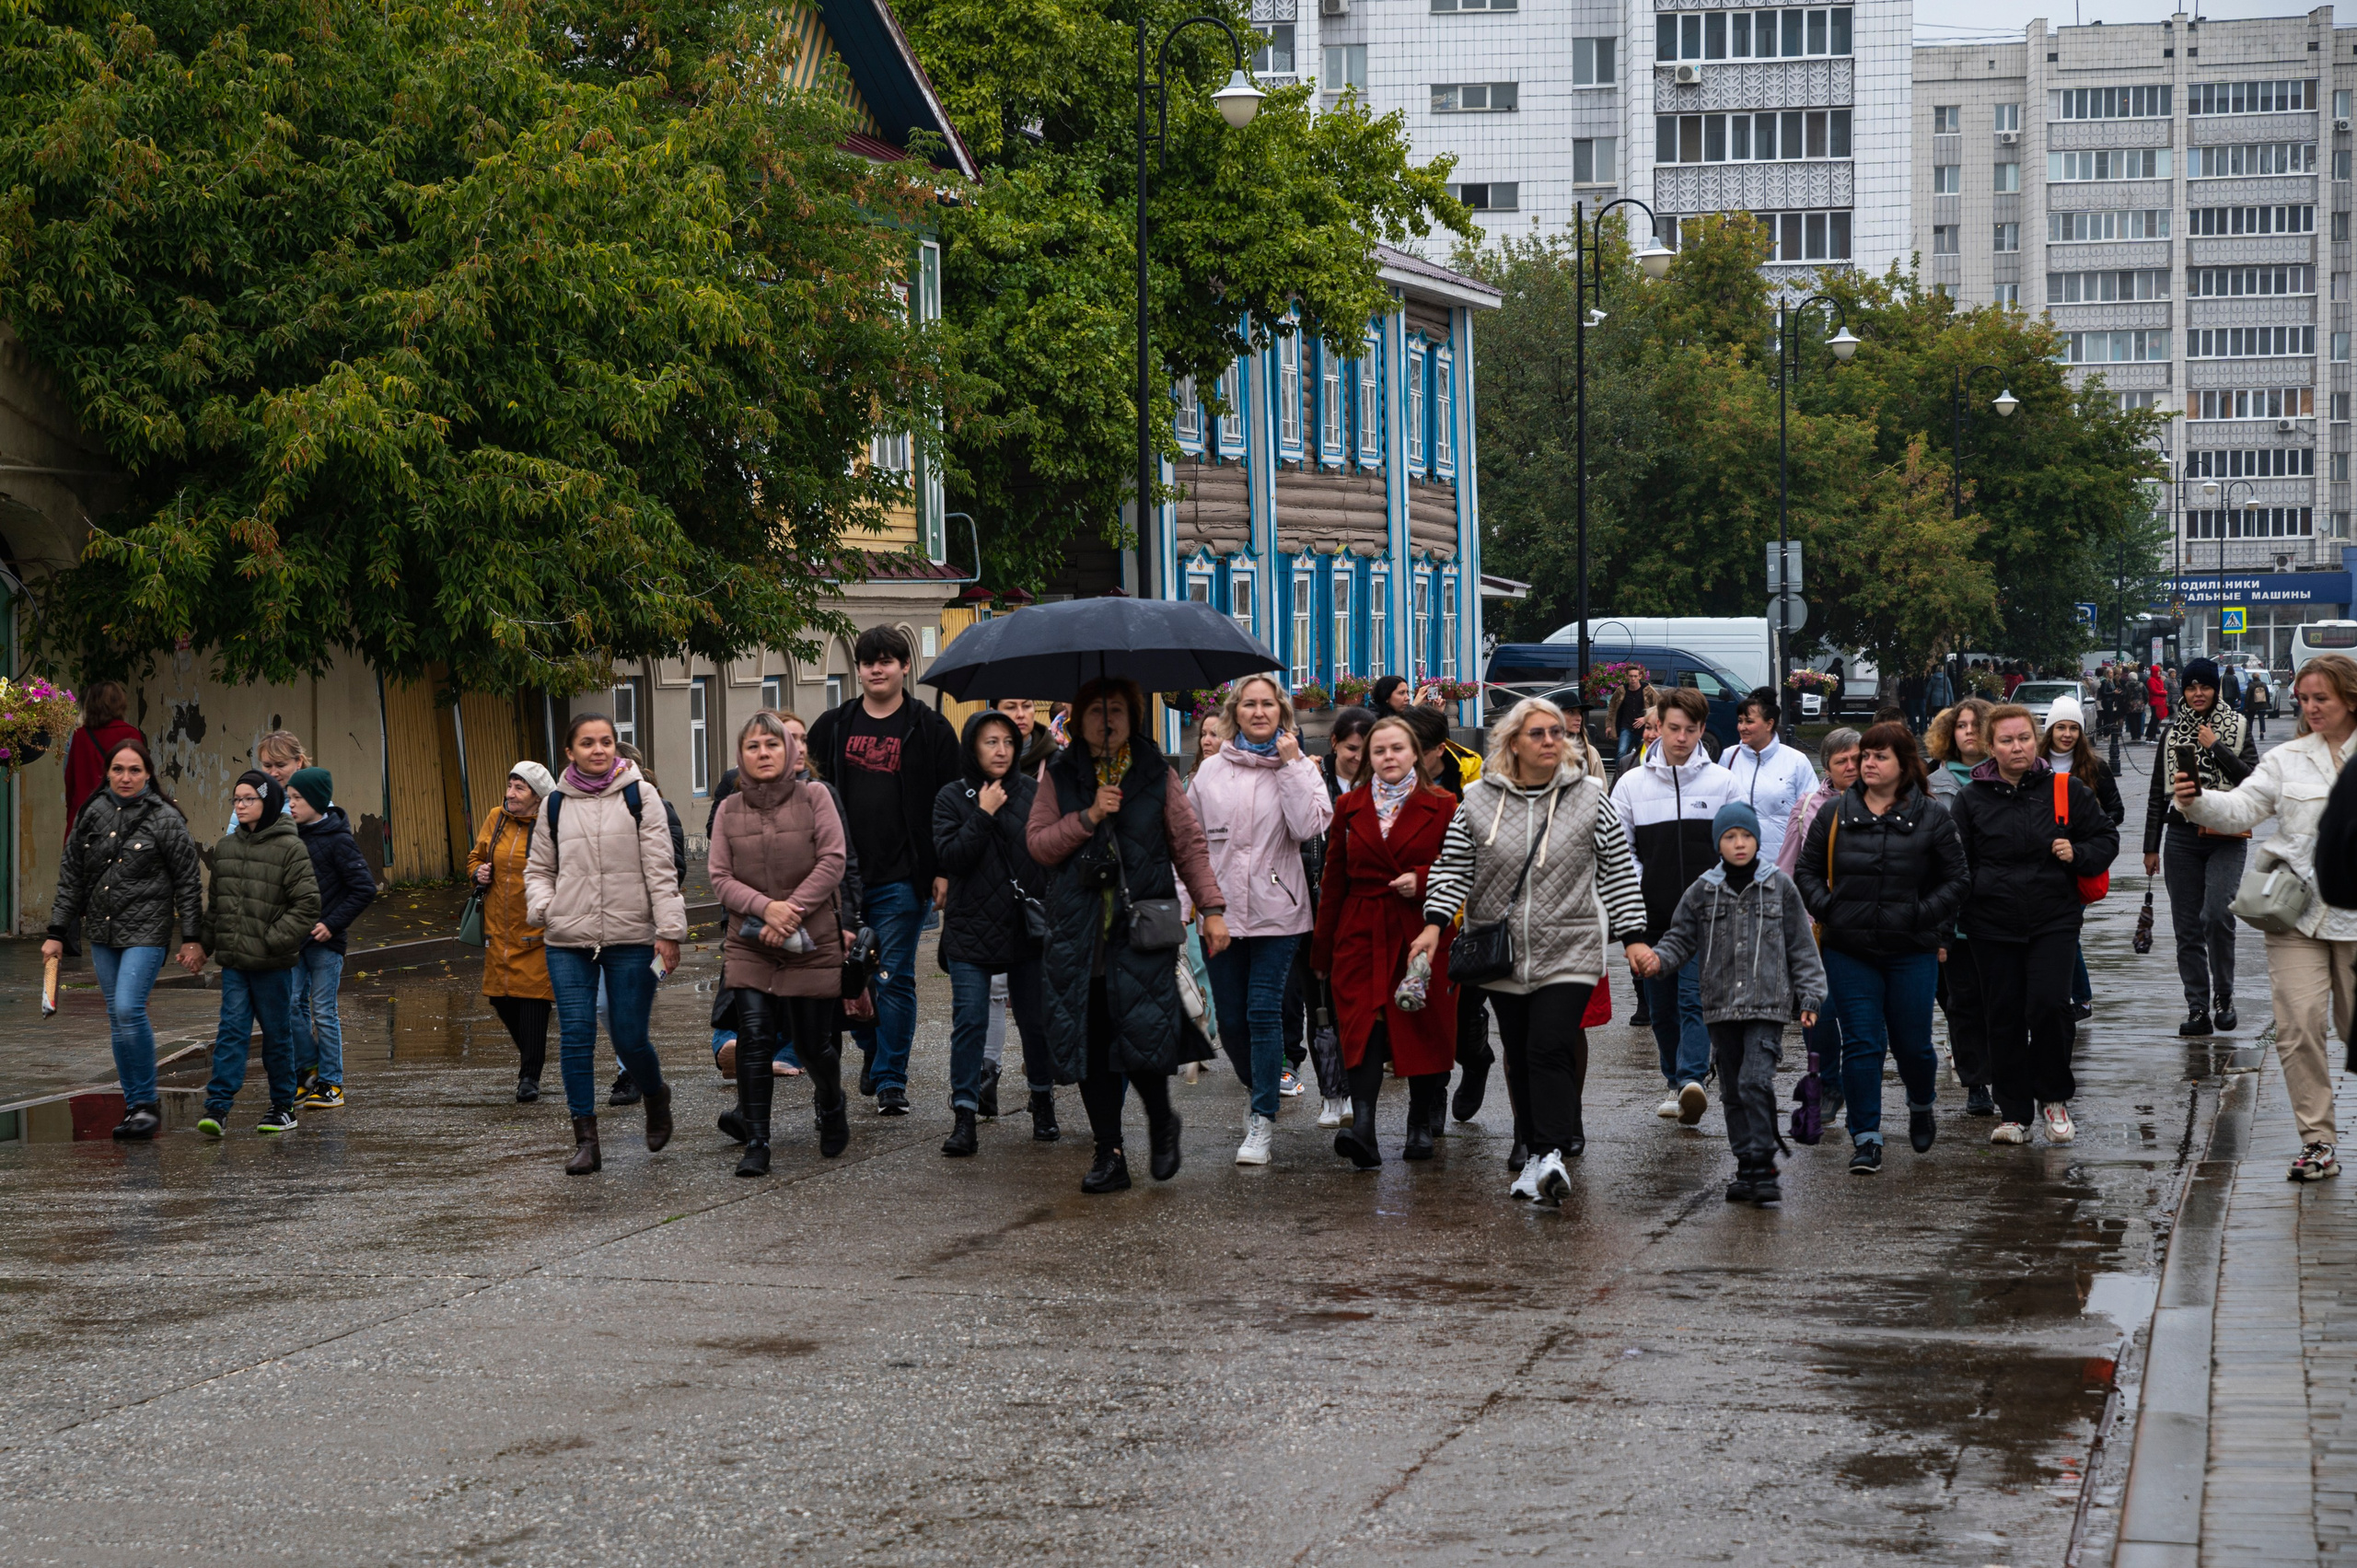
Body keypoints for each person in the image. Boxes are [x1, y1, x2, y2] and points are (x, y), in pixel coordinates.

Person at [1411, 697, 1649, 1202]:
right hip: (1502, 953)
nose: (1550, 741)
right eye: (1538, 733)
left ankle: (1550, 1154)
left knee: (1549, 1045)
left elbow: (1618, 872)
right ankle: (1532, 1152)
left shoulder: (1589, 797)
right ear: (1512, 742)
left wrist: (1633, 938)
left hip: (1571, 947)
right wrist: (1434, 926)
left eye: (1557, 733)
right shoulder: (1476, 800)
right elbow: (1453, 869)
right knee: (1518, 1053)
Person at [1027, 677, 1229, 1193]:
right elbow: (1040, 846)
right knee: (1092, 1048)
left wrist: (1211, 909)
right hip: (1080, 935)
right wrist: (1089, 816)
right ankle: (1108, 1152)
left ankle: (1162, 1121)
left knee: (1143, 1040)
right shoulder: (1059, 775)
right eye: (1095, 710)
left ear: (1133, 717)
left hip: (1141, 930)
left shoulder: (1156, 774)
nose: (1106, 719)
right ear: (1078, 719)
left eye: (1116, 709)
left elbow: (1189, 845)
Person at [2177, 653, 2357, 1182]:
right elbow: (2240, 807)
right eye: (2303, 698)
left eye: (2321, 697)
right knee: (2298, 1028)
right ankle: (2318, 1141)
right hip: (2295, 916)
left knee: (2353, 1028)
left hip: (2355, 919)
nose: (2310, 707)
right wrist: (2196, 802)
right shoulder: (2287, 759)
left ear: (2350, 696)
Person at [1794, 723, 1970, 1173]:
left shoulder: (1933, 816)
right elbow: (1807, 872)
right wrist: (1832, 910)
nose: (1865, 764)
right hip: (1848, 949)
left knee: (1913, 1044)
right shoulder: (1834, 813)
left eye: (1877, 756)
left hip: (1911, 949)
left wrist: (1920, 914)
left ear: (1903, 764)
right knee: (1861, 1043)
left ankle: (1920, 1102)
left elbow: (1957, 880)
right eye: (1862, 756)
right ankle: (1867, 1136)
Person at [523, 713, 689, 1175]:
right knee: (575, 1035)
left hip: (632, 937)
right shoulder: (554, 803)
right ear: (569, 752)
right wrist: (544, 906)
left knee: (629, 1036)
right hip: (567, 938)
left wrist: (670, 933)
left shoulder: (641, 795)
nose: (598, 750)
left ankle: (656, 1094)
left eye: (606, 742)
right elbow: (538, 869)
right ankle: (586, 1139)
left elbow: (661, 869)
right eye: (587, 743)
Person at [806, 626, 961, 1115]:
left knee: (893, 978)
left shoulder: (931, 729)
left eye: (887, 660)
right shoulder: (832, 726)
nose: (877, 668)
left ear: (904, 667)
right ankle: (874, 1055)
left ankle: (892, 1079)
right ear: (858, 669)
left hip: (904, 876)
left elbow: (948, 804)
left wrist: (942, 869)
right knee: (850, 978)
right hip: (841, 881)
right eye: (869, 661)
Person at [1949, 704, 2119, 1148]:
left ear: (2035, 738)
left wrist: (2077, 853)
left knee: (2047, 1007)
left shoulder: (2066, 789)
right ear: (1991, 747)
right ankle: (2015, 1114)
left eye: (2024, 737)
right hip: (1991, 923)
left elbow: (2105, 838)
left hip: (2053, 919)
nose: (2017, 747)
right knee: (2002, 1017)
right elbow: (1954, 862)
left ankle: (2055, 1099)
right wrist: (1971, 894)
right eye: (2006, 740)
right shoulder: (1971, 798)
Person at [1640, 801, 1826, 1206]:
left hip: (1766, 1005)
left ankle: (1763, 1164)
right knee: (1732, 1090)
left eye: (1746, 836)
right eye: (1730, 837)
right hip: (1721, 1006)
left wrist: (1810, 996)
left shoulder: (1779, 885)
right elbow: (1679, 938)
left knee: (1755, 1081)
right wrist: (1657, 960)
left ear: (1757, 839)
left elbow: (1802, 945)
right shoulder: (1703, 890)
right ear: (1717, 843)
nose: (1739, 844)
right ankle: (1746, 1164)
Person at [1190, 676, 1333, 1165]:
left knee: (1262, 1012)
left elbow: (1309, 827)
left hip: (1279, 912)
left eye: (1267, 704)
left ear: (1282, 713)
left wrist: (1292, 766)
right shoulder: (1210, 772)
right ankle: (1260, 1087)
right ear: (1235, 712)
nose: (1258, 712)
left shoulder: (1299, 767)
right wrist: (1187, 899)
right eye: (1248, 704)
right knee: (1230, 1021)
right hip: (1222, 913)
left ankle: (1262, 1119)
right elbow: (1187, 842)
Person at [1309, 713, 1459, 1167]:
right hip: (1359, 926)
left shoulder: (1445, 803)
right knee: (1362, 1022)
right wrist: (1322, 948)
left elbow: (1465, 867)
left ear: (1415, 752)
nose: (1388, 757)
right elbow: (1333, 879)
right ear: (1368, 759)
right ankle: (1365, 1129)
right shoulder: (1349, 806)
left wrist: (1423, 877)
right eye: (1379, 751)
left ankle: (1418, 1123)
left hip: (1422, 928)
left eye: (1397, 748)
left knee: (1421, 1023)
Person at [707, 710, 848, 1176]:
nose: (763, 753)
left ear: (788, 751)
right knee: (754, 1039)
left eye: (772, 745)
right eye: (753, 746)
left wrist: (790, 911)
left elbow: (832, 861)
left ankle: (831, 1103)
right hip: (750, 940)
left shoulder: (816, 797)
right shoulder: (728, 809)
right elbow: (720, 878)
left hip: (811, 938)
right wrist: (765, 909)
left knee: (813, 1045)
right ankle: (758, 1141)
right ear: (740, 756)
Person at [42, 738, 203, 1139]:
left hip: (147, 931)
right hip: (103, 930)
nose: (126, 777)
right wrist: (56, 933)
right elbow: (71, 878)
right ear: (108, 773)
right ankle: (134, 1108)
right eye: (118, 769)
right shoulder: (91, 812)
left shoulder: (165, 818)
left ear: (148, 774)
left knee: (130, 1009)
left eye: (135, 770)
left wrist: (191, 937)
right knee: (117, 1018)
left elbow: (188, 881)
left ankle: (147, 1103)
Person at [1610, 686, 1738, 1125]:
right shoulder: (1631, 784)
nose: (1681, 737)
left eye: (1690, 729)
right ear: (1657, 727)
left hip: (1706, 916)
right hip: (1651, 917)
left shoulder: (1723, 783)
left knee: (1693, 999)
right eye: (1672, 728)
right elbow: (1619, 850)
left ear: (1702, 730)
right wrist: (1636, 895)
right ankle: (1675, 1081)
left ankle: (1692, 1078)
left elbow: (1737, 847)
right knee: (1660, 1007)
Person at [933, 709, 1056, 1155]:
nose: (1001, 750)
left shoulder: (1035, 793)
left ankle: (1042, 1102)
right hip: (969, 930)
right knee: (969, 1021)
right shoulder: (951, 796)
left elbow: (1048, 855)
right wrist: (982, 814)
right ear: (973, 747)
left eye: (1007, 741)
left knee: (1035, 1023)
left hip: (1025, 929)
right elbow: (952, 856)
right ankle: (965, 1114)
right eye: (990, 742)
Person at [194, 772, 323, 1137]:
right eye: (236, 798)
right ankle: (217, 1109)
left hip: (271, 965)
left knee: (276, 1035)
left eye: (249, 798)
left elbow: (308, 903)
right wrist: (203, 945)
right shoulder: (227, 848)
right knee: (231, 1033)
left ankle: (283, 1107)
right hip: (235, 964)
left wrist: (274, 939)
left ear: (267, 803)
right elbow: (216, 907)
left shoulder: (290, 847)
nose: (240, 805)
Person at [2142, 657, 2258, 1036]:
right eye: (2191, 687)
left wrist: (2217, 746)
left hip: (2226, 835)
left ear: (2216, 690)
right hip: (2180, 837)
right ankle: (2197, 1009)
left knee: (2216, 915)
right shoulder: (2172, 732)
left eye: (2204, 687)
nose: (2197, 694)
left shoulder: (2238, 727)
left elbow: (2253, 782)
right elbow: (2158, 795)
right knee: (2187, 927)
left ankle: (2224, 997)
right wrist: (2150, 847)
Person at [1778, 726, 1860, 1121]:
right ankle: (1829, 1083)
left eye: (1857, 758)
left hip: (1868, 924)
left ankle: (1860, 1084)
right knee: (1818, 1011)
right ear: (1826, 765)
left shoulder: (1886, 799)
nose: (1851, 766)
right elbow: (1788, 865)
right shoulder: (1808, 803)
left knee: (1861, 1013)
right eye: (1841, 760)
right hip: (1817, 924)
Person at [284, 767, 375, 1110]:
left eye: (298, 799)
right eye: (289, 798)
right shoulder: (289, 836)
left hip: (327, 943)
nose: (290, 804)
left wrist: (332, 925)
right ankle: (308, 1072)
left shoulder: (339, 839)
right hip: (293, 940)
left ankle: (332, 1083)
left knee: (323, 1011)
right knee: (290, 1005)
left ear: (317, 801)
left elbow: (364, 888)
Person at [468, 761, 558, 1101]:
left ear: (537, 796)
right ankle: (532, 1056)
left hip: (536, 927)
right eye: (510, 785)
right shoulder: (497, 818)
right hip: (498, 928)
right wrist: (479, 873)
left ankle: (529, 1076)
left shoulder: (551, 824)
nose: (510, 794)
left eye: (520, 788)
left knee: (533, 1000)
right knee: (500, 997)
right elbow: (474, 857)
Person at [2044, 694, 2127, 1021]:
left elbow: (2115, 812)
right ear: (2049, 730)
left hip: (2075, 865)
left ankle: (2080, 997)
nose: (2067, 734)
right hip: (2041, 863)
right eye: (2060, 727)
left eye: (2073, 728)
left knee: (2067, 931)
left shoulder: (2094, 767)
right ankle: (2057, 993)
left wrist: (2084, 832)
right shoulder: (2035, 764)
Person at [1724, 687, 1817, 866]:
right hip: (1736, 864)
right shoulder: (1729, 757)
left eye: (1749, 721)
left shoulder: (1796, 761)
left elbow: (1811, 814)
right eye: (1740, 721)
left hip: (1782, 864)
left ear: (1769, 724)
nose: (1742, 727)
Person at [60, 679, 145, 844]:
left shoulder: (80, 736)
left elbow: (70, 782)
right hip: (122, 822)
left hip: (84, 822)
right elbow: (140, 782)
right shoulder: (131, 734)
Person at [223, 731, 308, 836]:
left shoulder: (315, 799)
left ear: (299, 762)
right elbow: (231, 843)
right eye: (267, 766)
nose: (273, 773)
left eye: (281, 765)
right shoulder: (249, 797)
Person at [995, 697, 1060, 774]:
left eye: (1026, 706)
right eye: (1011, 707)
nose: (1021, 714)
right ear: (993, 712)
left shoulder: (1056, 761)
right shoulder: (982, 763)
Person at [1613, 668, 1651, 763]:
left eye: (1635, 676)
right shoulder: (1621, 690)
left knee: (1644, 754)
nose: (1633, 679)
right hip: (1626, 727)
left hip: (1642, 728)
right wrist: (1609, 725)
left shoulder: (1647, 689)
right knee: (1621, 752)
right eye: (1630, 676)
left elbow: (1659, 705)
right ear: (1626, 676)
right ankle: (1620, 775)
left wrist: (1645, 718)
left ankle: (1643, 775)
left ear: (1640, 677)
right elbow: (1612, 707)